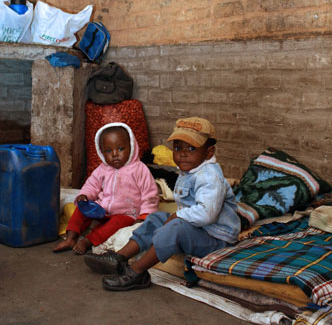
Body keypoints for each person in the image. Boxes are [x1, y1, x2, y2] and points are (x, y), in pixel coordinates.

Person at [84, 116, 241, 290]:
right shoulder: (190, 169)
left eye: (191, 148)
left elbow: (207, 213)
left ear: (209, 152)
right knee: (156, 218)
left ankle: (137, 272)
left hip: (215, 238)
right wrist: (175, 217)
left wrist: (177, 216)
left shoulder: (209, 177)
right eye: (178, 147)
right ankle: (119, 257)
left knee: (175, 229)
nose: (183, 153)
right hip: (198, 229)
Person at [53, 122, 159, 255]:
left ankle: (88, 241)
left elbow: (149, 195)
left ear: (131, 146)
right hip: (101, 210)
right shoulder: (103, 169)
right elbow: (92, 185)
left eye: (120, 149)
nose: (114, 154)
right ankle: (70, 238)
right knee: (80, 210)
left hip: (126, 214)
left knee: (118, 222)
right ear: (101, 152)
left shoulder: (139, 169)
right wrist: (85, 195)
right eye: (108, 151)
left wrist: (144, 216)